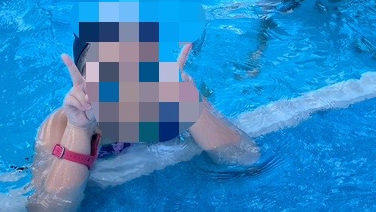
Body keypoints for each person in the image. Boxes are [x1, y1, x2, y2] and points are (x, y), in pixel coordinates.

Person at [27, 37, 260, 211]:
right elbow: (47, 209)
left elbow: (245, 157)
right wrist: (79, 129)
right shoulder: (60, 126)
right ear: (83, 78)